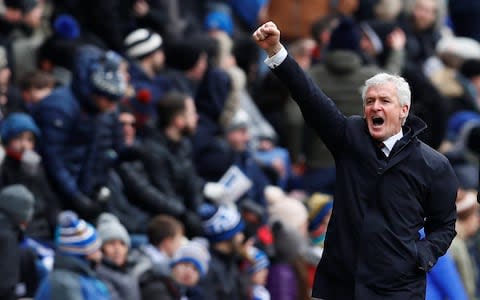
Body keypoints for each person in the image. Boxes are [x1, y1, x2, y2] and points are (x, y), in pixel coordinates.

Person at [252, 21, 458, 299]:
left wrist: (420, 255)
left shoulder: (433, 164)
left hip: (398, 290)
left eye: (384, 101)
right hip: (341, 285)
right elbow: (310, 98)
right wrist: (277, 51)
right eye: (370, 101)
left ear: (404, 111)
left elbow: (444, 225)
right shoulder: (350, 137)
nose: (375, 106)